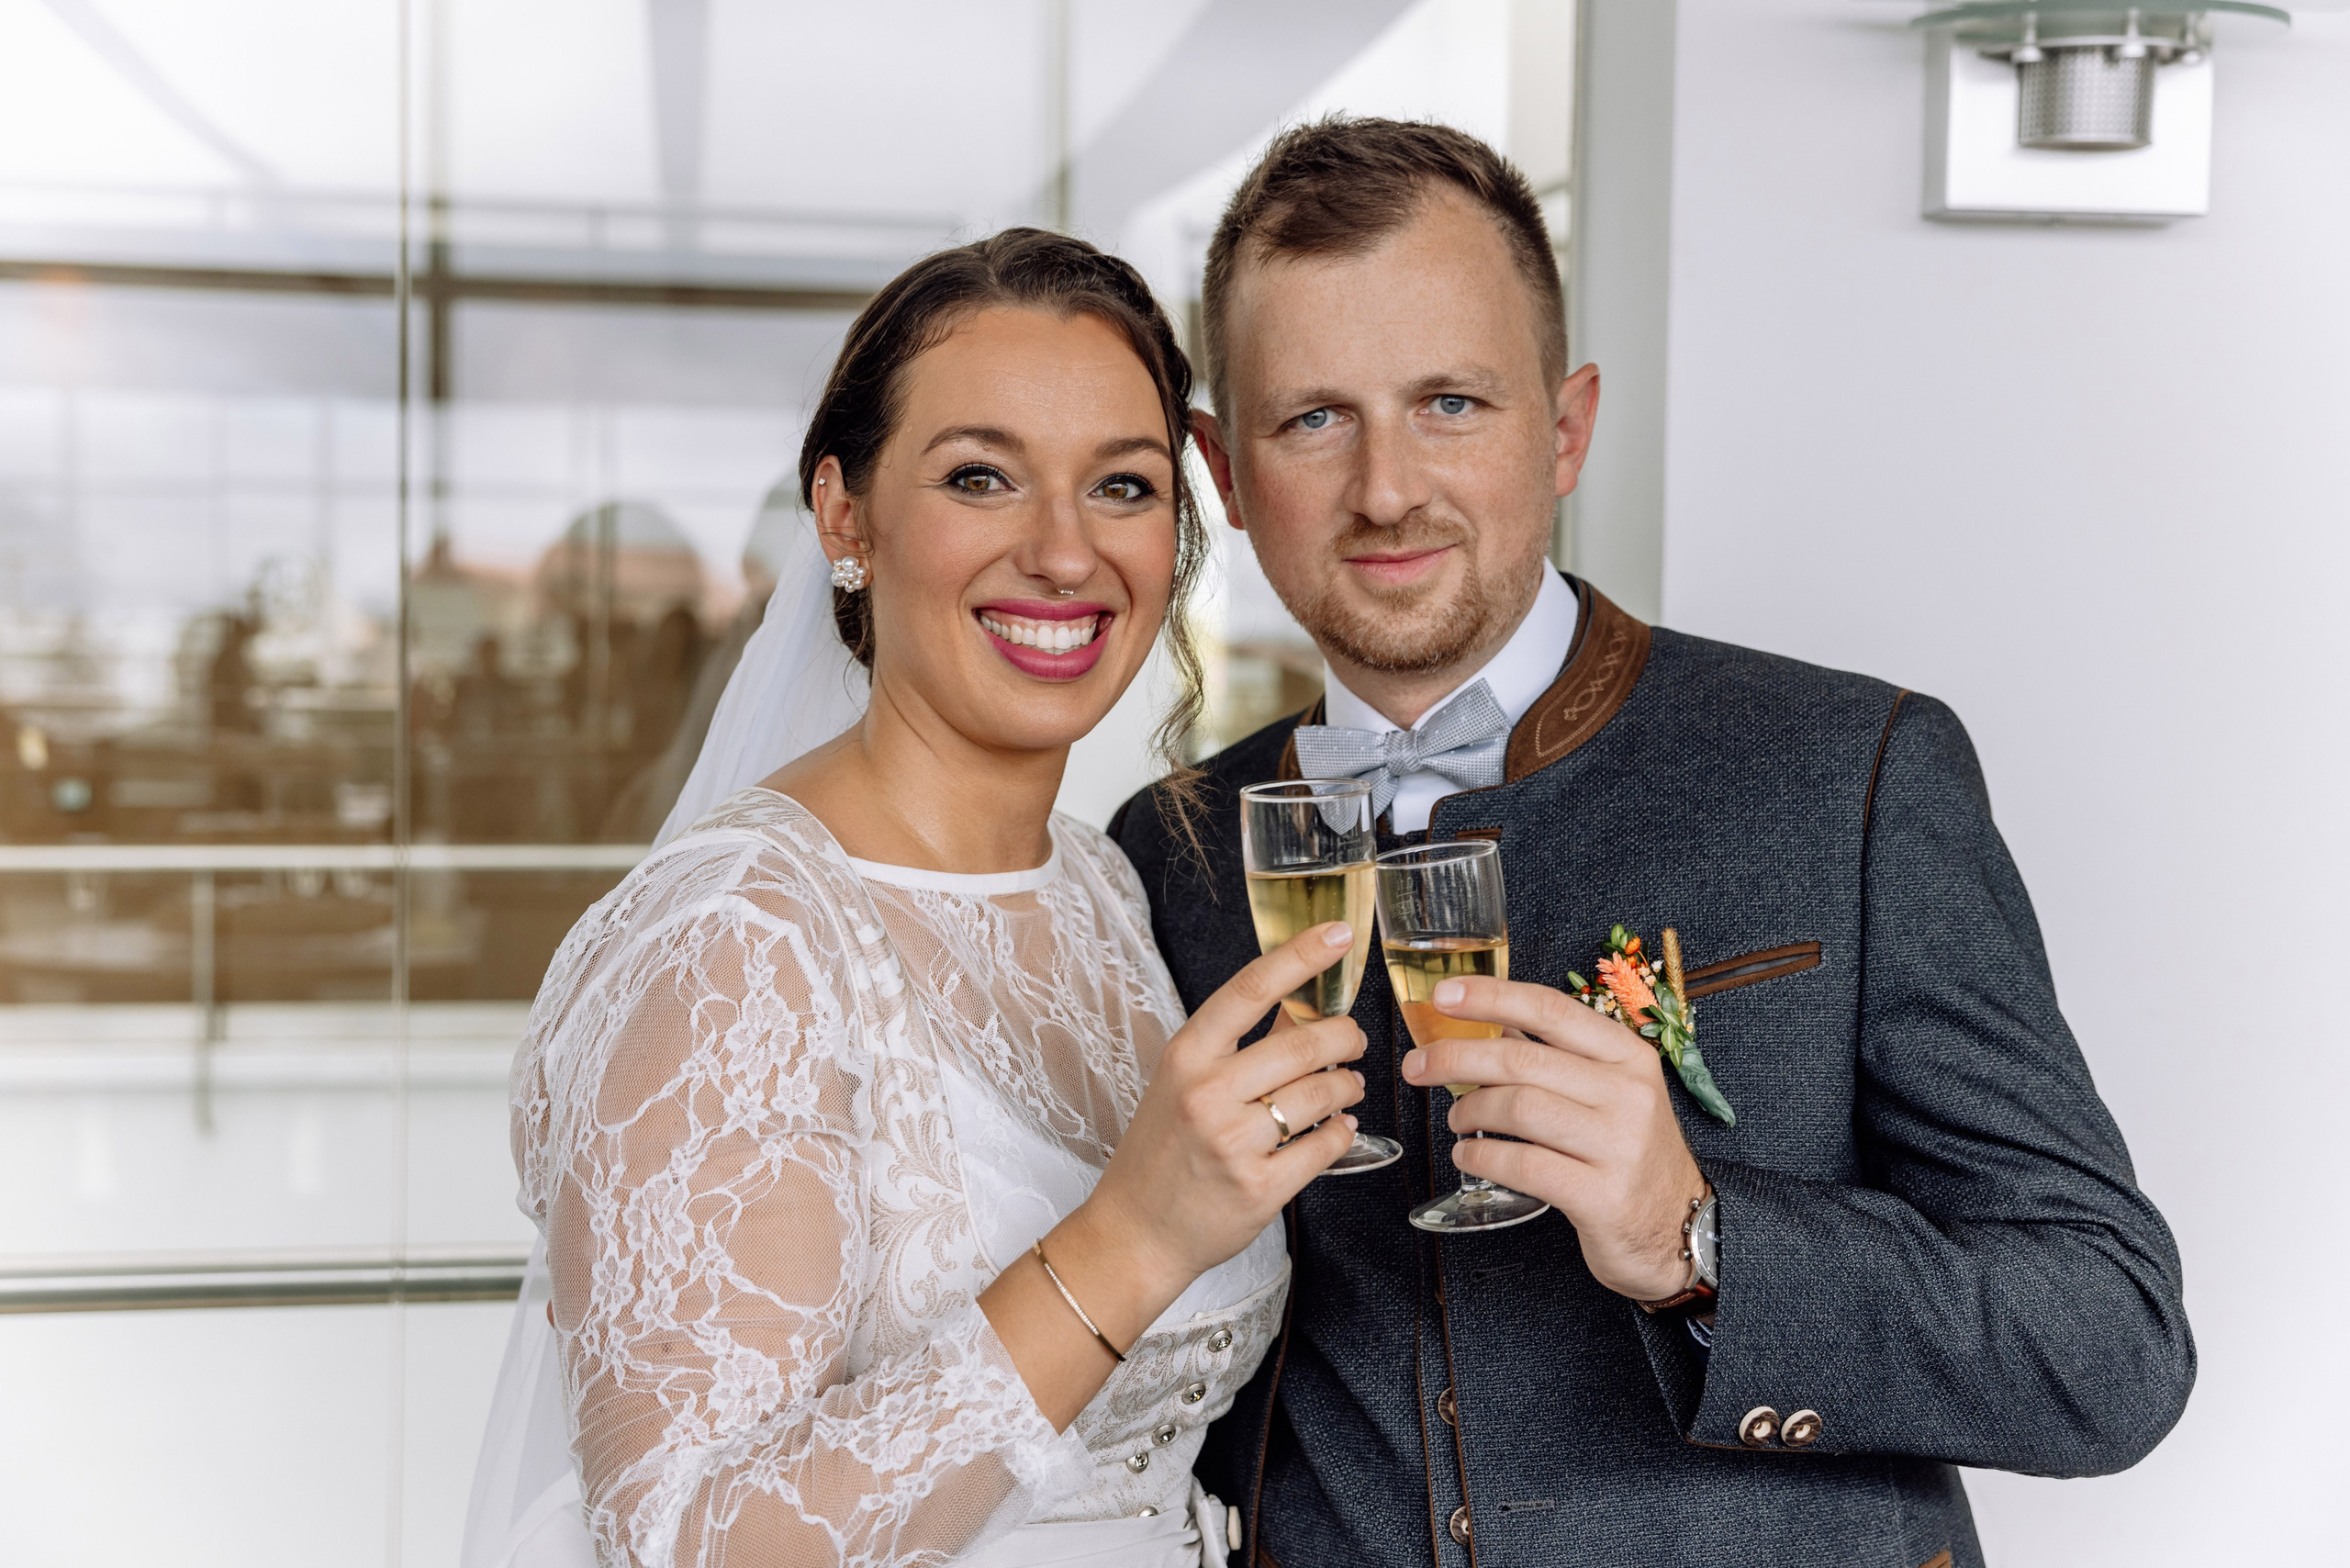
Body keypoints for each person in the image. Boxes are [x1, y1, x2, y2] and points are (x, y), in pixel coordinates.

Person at [1110, 118, 2194, 1568]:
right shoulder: (1165, 855)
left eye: (1451, 403)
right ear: (1223, 475)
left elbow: (2113, 1350)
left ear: (1564, 430)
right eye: (1314, 418)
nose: (1385, 489)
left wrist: (1699, 1242)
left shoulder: (1853, 773)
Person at [464, 229, 1376, 1568]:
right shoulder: (732, 944)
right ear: (845, 515)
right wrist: (1130, 1240)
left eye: (1121, 486)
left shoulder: (1106, 889)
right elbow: (683, 1540)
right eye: (981, 476)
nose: (1065, 553)